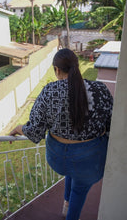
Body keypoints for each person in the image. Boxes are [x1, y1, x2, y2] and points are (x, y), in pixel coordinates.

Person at [9, 48, 113, 220]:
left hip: (58, 159)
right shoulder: (100, 89)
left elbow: (35, 131)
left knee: (72, 171)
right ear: (77, 67)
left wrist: (18, 128)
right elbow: (110, 125)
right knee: (79, 187)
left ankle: (65, 203)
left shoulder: (49, 91)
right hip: (89, 161)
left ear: (57, 70)